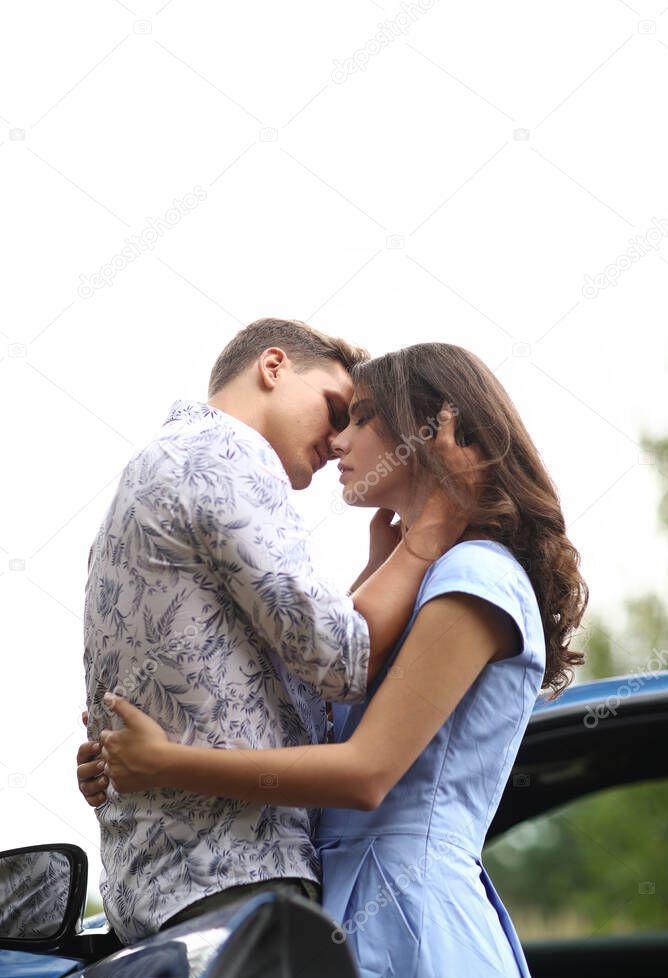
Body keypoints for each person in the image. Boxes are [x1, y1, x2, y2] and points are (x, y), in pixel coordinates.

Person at [80, 342, 588, 978]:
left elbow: (365, 773)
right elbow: (305, 704)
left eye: (363, 416)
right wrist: (120, 763)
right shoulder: (428, 580)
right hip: (348, 906)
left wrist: (166, 765)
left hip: (411, 924)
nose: (339, 439)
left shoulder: (478, 579)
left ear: (429, 434)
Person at [80, 319, 470, 944]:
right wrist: (429, 535)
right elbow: (340, 662)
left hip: (155, 893)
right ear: (273, 367)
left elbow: (257, 679)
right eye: (336, 409)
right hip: (237, 884)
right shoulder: (226, 456)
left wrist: (374, 568)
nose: (341, 440)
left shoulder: (151, 469)